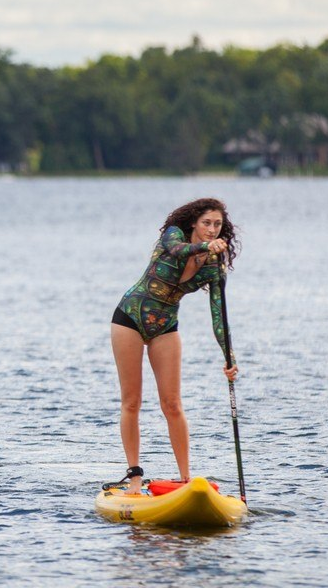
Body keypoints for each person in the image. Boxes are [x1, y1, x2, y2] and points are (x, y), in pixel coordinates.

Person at [110, 198, 239, 494]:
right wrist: (206, 247)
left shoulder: (213, 267)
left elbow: (219, 315)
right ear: (194, 222)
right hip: (129, 318)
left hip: (166, 326)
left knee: (172, 404)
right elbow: (177, 251)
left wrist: (229, 359)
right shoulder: (174, 235)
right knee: (132, 401)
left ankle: (185, 478)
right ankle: (134, 475)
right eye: (206, 223)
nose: (211, 229)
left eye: (217, 225)